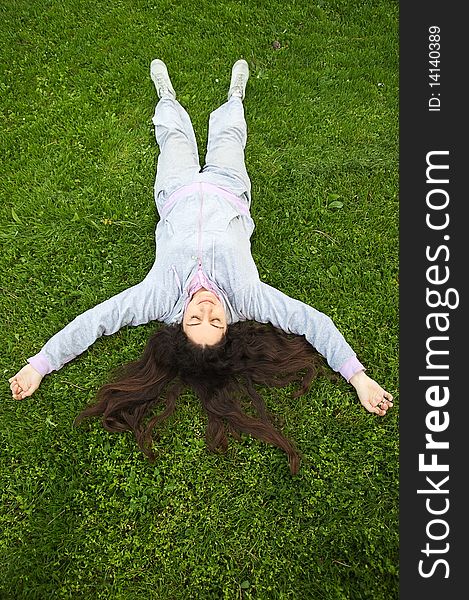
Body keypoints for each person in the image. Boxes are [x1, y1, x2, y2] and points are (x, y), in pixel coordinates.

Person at [8, 59, 394, 474]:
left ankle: (167, 96)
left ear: (179, 324)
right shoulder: (250, 297)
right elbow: (311, 321)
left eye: (197, 317)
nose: (207, 307)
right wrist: (358, 377)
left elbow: (97, 321)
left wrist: (40, 364)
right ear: (231, 327)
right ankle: (234, 96)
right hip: (229, 188)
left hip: (175, 192)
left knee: (174, 137)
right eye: (216, 319)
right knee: (229, 135)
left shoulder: (157, 297)